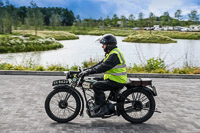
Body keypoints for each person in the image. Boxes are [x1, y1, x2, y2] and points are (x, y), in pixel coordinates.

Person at [78, 34, 127, 117]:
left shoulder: (114, 55)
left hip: (117, 80)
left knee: (97, 85)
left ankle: (103, 108)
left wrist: (88, 72)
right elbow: (100, 64)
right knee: (94, 80)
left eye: (103, 45)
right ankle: (98, 103)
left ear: (109, 45)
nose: (102, 47)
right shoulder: (111, 53)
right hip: (113, 78)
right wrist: (87, 70)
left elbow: (103, 67)